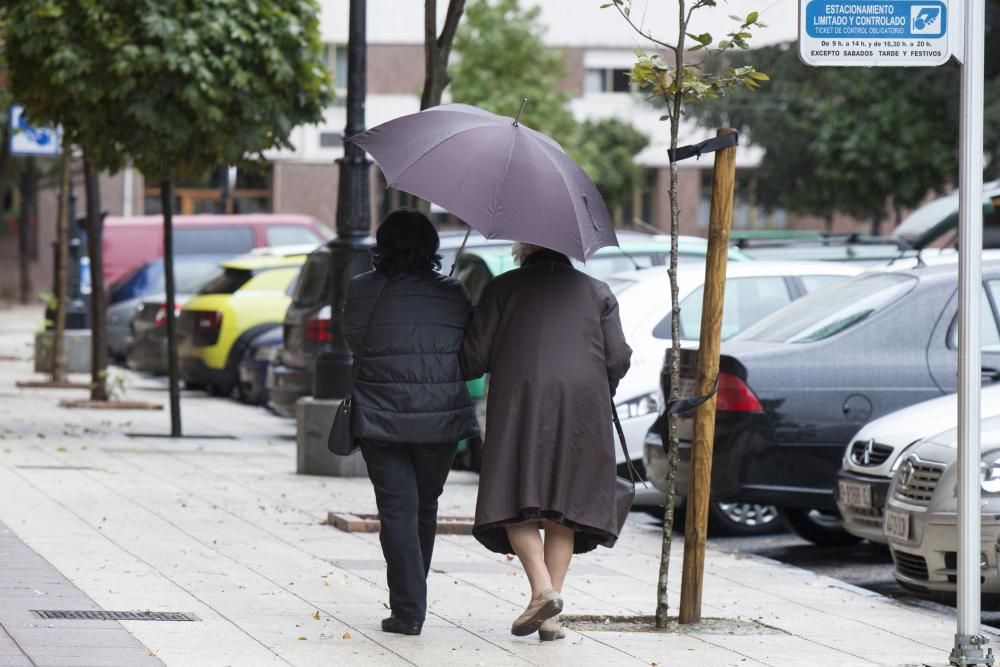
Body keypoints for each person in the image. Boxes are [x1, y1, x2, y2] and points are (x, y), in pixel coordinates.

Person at [461, 242, 632, 641]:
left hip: (520, 403)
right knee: (563, 506)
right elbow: (618, 358)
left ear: (524, 250)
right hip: (583, 408)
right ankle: (550, 615)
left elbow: (473, 358)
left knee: (513, 498)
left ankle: (543, 592)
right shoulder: (598, 291)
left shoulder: (503, 288)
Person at [343, 209, 479, 636]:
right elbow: (468, 352)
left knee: (397, 511)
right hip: (439, 422)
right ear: (431, 248)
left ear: (381, 246)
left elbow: (353, 339)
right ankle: (411, 601)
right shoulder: (453, 293)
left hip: (380, 417)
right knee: (424, 507)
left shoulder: (362, 290)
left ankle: (408, 610)